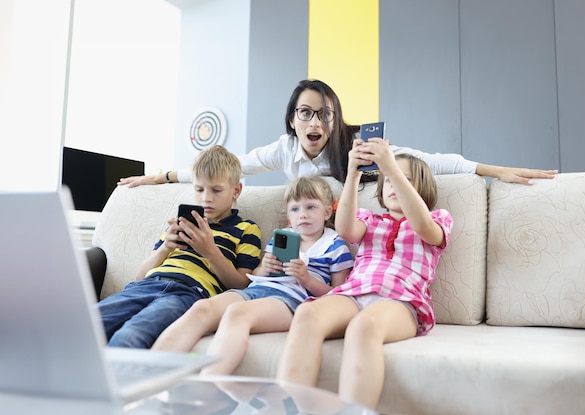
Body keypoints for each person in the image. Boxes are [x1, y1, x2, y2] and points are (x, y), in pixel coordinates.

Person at [275, 137, 454, 410]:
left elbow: (423, 226)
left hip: (401, 302)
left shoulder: (437, 218)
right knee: (307, 314)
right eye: (390, 180)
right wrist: (353, 172)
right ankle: (289, 409)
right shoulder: (371, 220)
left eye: (404, 179)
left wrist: (390, 166)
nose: (394, 184)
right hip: (354, 292)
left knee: (364, 326)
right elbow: (346, 229)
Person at [118, 79, 557, 188]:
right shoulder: (285, 150)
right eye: (305, 113)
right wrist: (160, 176)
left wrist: (496, 171)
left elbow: (429, 160)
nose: (315, 123)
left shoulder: (357, 144)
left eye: (324, 115)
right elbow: (231, 168)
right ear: (292, 119)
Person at [151, 176, 353, 376]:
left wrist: (306, 278)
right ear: (289, 215)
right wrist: (264, 267)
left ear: (327, 211)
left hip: (290, 300)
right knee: (202, 307)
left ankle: (207, 389)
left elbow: (337, 295)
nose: (302, 215)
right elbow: (254, 276)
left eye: (311, 207)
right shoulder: (282, 236)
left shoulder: (335, 245)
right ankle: (146, 378)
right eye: (295, 209)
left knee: (238, 313)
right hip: (257, 289)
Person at [97, 145, 262, 348]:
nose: (206, 198)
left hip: (190, 293)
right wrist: (165, 247)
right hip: (145, 286)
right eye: (199, 189)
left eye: (216, 190)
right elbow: (140, 276)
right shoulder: (181, 225)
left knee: (128, 338)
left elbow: (241, 285)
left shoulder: (246, 229)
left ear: (236, 190)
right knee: (86, 327)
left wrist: (210, 251)